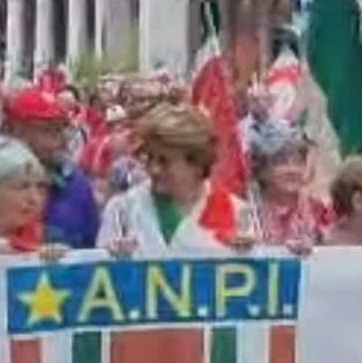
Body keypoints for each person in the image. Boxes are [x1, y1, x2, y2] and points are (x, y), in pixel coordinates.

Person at [98, 104, 259, 257]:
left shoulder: (237, 213)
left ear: (197, 164)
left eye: (164, 161)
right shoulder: (122, 210)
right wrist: (110, 257)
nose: (153, 168)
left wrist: (251, 255)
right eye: (149, 158)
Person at [4, 86, 103, 249]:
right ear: (16, 130)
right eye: (49, 130)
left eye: (63, 129)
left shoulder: (78, 186)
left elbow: (93, 251)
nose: (62, 140)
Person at [248, 122, 331, 251]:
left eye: (298, 162)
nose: (292, 170)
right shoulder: (245, 209)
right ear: (261, 170)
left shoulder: (318, 210)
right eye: (281, 163)